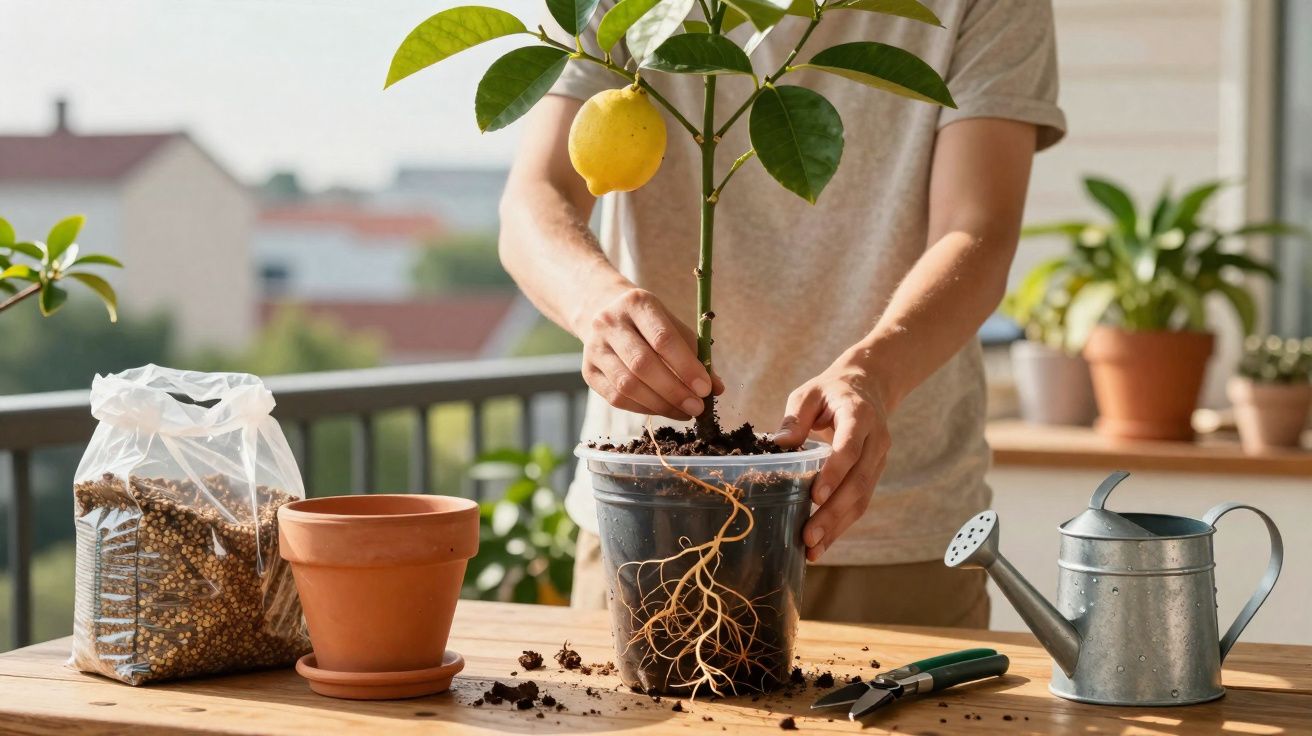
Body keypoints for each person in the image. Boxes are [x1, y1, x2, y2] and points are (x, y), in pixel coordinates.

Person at [499, 0, 1065, 627]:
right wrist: (595, 303)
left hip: (887, 515)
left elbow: (977, 229)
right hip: (651, 506)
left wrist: (874, 373)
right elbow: (535, 197)